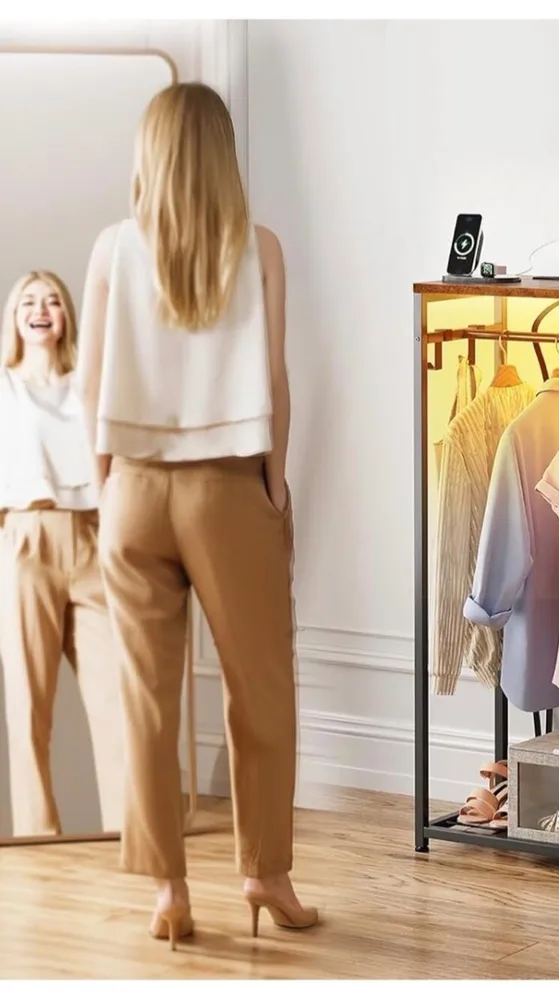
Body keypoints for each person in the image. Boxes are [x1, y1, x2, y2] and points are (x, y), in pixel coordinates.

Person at [77, 81, 316, 949]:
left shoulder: (111, 248)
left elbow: (88, 384)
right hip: (228, 489)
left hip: (134, 491)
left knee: (144, 697)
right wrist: (275, 485)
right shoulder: (260, 247)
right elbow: (276, 381)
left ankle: (169, 891)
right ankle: (265, 873)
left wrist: (106, 487)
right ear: (223, 154)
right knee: (261, 688)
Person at [0, 270, 124, 839]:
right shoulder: (5, 387)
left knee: (118, 700)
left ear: (67, 315)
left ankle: (132, 835)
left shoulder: (87, 387)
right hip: (28, 539)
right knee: (28, 705)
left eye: (52, 300)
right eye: (28, 301)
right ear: (14, 316)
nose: (41, 309)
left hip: (94, 539)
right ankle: (38, 840)